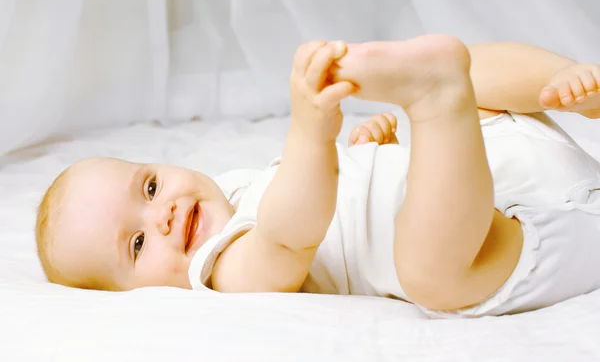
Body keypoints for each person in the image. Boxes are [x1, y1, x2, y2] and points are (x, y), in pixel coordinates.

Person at [35, 35, 600, 317]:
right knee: (432, 274)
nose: (163, 216)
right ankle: (437, 99)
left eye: (150, 186)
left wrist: (375, 153)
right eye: (136, 244)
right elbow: (291, 234)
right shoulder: (220, 274)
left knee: (469, 72)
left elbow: (340, 198)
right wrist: (311, 134)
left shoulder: (234, 189)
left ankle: (565, 82)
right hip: (537, 231)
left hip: (498, 171)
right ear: (132, 298)